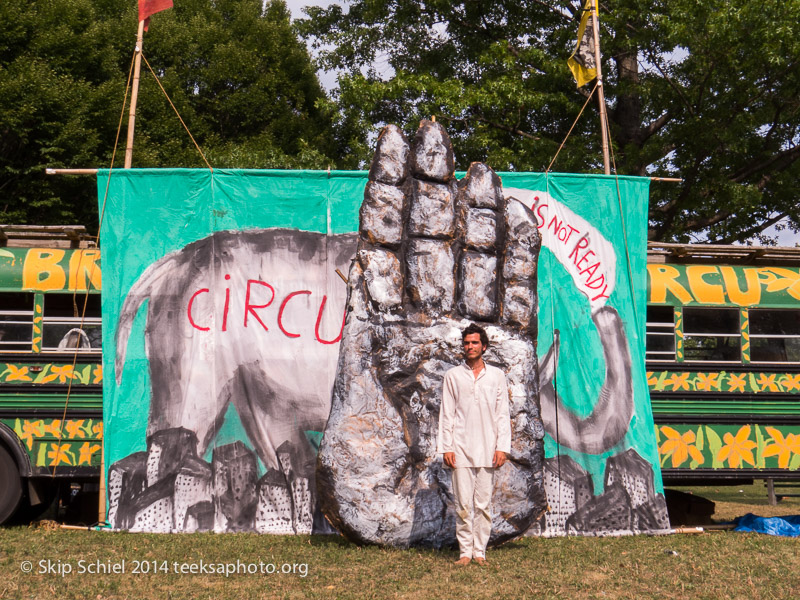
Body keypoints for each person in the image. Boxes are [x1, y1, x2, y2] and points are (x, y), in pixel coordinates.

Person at [438, 323, 511, 566]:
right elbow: (447, 414)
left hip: (488, 448)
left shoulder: (497, 376)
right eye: (467, 343)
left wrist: (502, 447)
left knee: (483, 504)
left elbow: (502, 414)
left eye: (475, 343)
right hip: (460, 448)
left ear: (484, 346)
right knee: (462, 504)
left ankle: (480, 551)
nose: (470, 346)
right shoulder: (453, 376)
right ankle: (464, 553)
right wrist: (447, 447)